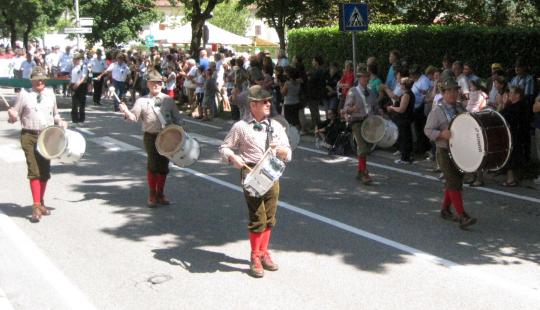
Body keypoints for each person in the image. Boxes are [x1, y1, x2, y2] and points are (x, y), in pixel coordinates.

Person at [219, 85, 291, 278]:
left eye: (269, 101)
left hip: (271, 172)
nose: (269, 104)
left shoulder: (276, 126)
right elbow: (224, 148)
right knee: (257, 217)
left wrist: (280, 150)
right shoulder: (240, 127)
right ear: (253, 105)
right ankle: (255, 256)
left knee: (270, 216)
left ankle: (264, 251)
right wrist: (233, 158)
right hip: (251, 173)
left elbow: (288, 153)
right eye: (264, 101)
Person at [6, 67, 68, 222]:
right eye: (36, 79)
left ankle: (40, 202)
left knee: (45, 172)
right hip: (29, 135)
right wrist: (12, 116)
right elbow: (13, 117)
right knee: (34, 171)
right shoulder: (24, 95)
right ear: (31, 80)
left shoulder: (50, 94)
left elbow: (55, 114)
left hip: (47, 136)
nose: (40, 81)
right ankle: (35, 206)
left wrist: (60, 121)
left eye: (42, 79)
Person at [118, 70, 182, 207]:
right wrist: (125, 111)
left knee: (164, 166)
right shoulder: (142, 101)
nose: (156, 85)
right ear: (148, 84)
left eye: (159, 82)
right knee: (153, 165)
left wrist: (181, 135)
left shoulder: (168, 100)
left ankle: (160, 194)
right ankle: (152, 194)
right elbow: (133, 118)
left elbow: (178, 120)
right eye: (153, 82)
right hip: (151, 137)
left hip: (168, 137)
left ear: (162, 84)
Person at [424, 78, 477, 229]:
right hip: (444, 150)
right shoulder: (437, 110)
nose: (453, 93)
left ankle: (445, 210)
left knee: (455, 181)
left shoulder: (460, 108)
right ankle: (462, 216)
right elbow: (427, 130)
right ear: (443, 93)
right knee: (453, 182)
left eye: (455, 90)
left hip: (459, 150)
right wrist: (441, 134)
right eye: (449, 91)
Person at [341, 69, 378, 184]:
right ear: (359, 78)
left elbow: (375, 106)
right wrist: (352, 109)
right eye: (363, 77)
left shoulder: (371, 92)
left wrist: (380, 111)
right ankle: (364, 174)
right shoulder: (353, 91)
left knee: (366, 147)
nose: (366, 79)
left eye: (367, 77)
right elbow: (345, 109)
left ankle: (359, 171)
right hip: (357, 123)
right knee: (362, 148)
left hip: (369, 123)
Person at [499, 86, 530, 187]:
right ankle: (513, 178)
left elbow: (502, 116)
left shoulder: (517, 107)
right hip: (516, 135)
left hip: (516, 136)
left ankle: (511, 179)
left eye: (512, 93)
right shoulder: (515, 106)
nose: (509, 95)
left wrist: (503, 104)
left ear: (517, 95)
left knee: (511, 157)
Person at [387, 77, 415, 164]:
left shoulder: (406, 95)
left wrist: (392, 107)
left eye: (401, 83)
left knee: (404, 138)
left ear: (404, 85)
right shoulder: (409, 93)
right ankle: (407, 156)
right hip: (406, 118)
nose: (400, 85)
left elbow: (401, 109)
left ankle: (405, 158)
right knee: (406, 137)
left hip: (404, 119)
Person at [70, 54, 88, 124]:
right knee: (74, 103)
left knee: (81, 103)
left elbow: (83, 77)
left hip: (81, 86)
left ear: (79, 60)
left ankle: (81, 119)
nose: (74, 61)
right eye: (74, 59)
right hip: (73, 85)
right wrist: (71, 84)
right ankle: (74, 120)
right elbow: (73, 77)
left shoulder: (83, 66)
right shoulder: (73, 67)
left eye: (76, 59)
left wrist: (78, 83)